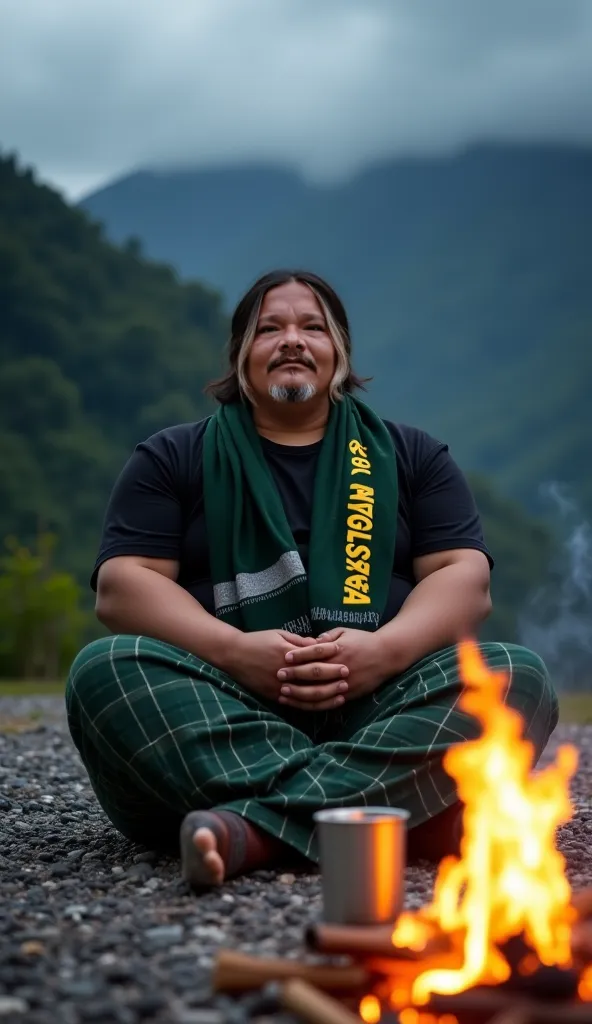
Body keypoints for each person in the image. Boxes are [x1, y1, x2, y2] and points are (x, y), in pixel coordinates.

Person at [66, 269, 558, 890]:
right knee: (105, 669)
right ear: (242, 356)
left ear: (340, 353)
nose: (292, 340)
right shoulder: (173, 456)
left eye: (312, 327)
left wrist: (384, 652)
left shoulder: (413, 457)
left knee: (517, 676)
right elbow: (122, 586)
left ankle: (252, 831)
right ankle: (397, 814)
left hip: (378, 705)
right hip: (228, 702)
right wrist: (236, 652)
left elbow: (465, 579)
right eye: (270, 328)